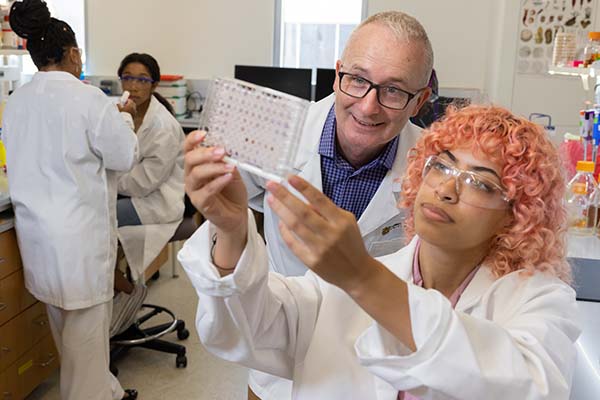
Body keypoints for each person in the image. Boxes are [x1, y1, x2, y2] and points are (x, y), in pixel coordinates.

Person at [180, 104, 581, 399]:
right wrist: (230, 229)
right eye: (441, 166)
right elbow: (244, 332)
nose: (445, 189)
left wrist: (362, 278)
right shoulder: (336, 291)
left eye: (480, 183)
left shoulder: (539, 300)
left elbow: (530, 385)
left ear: (518, 213)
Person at [237, 11, 432, 399]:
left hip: (373, 359)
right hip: (280, 348)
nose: (367, 107)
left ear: (420, 100)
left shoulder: (432, 167)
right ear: (337, 73)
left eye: (393, 91)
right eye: (358, 80)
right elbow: (236, 202)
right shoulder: (275, 134)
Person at [3, 1, 139, 399]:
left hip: (39, 241)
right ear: (73, 53)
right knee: (87, 342)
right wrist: (125, 117)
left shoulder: (17, 101)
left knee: (70, 341)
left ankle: (105, 391)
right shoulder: (89, 100)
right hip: (78, 243)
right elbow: (124, 156)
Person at [112, 53, 185, 299]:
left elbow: (143, 183)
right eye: (128, 78)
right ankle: (110, 277)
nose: (133, 86)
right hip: (131, 193)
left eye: (142, 80)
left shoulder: (162, 127)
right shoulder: (120, 113)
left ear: (154, 85)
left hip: (157, 202)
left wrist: (107, 179)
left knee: (99, 216)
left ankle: (121, 285)